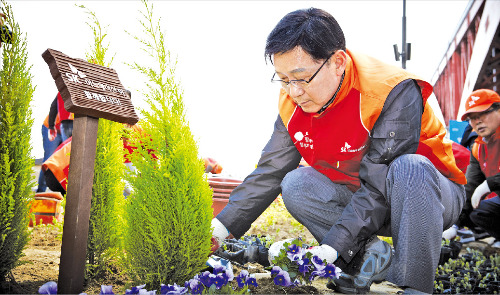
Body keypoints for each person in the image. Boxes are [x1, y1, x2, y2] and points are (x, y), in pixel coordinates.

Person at [209, 8, 466, 294]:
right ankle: (371, 257)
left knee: (410, 167)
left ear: (338, 61)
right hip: (362, 201)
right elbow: (270, 170)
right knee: (295, 183)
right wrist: (219, 230)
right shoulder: (293, 99)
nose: (293, 91)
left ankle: (412, 285)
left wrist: (333, 247)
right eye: (282, 78)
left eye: (301, 77)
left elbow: (381, 181)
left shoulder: (391, 90)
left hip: (425, 199)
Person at [443, 89, 500, 246]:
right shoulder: (479, 148)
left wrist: (490, 183)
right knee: (480, 212)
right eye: (472, 118)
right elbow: (470, 186)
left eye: (483, 114)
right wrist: (455, 223)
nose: (478, 121)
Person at [36, 112, 62, 192]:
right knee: (49, 159)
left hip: (65, 130)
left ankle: (60, 192)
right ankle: (41, 190)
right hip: (51, 128)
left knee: (64, 160)